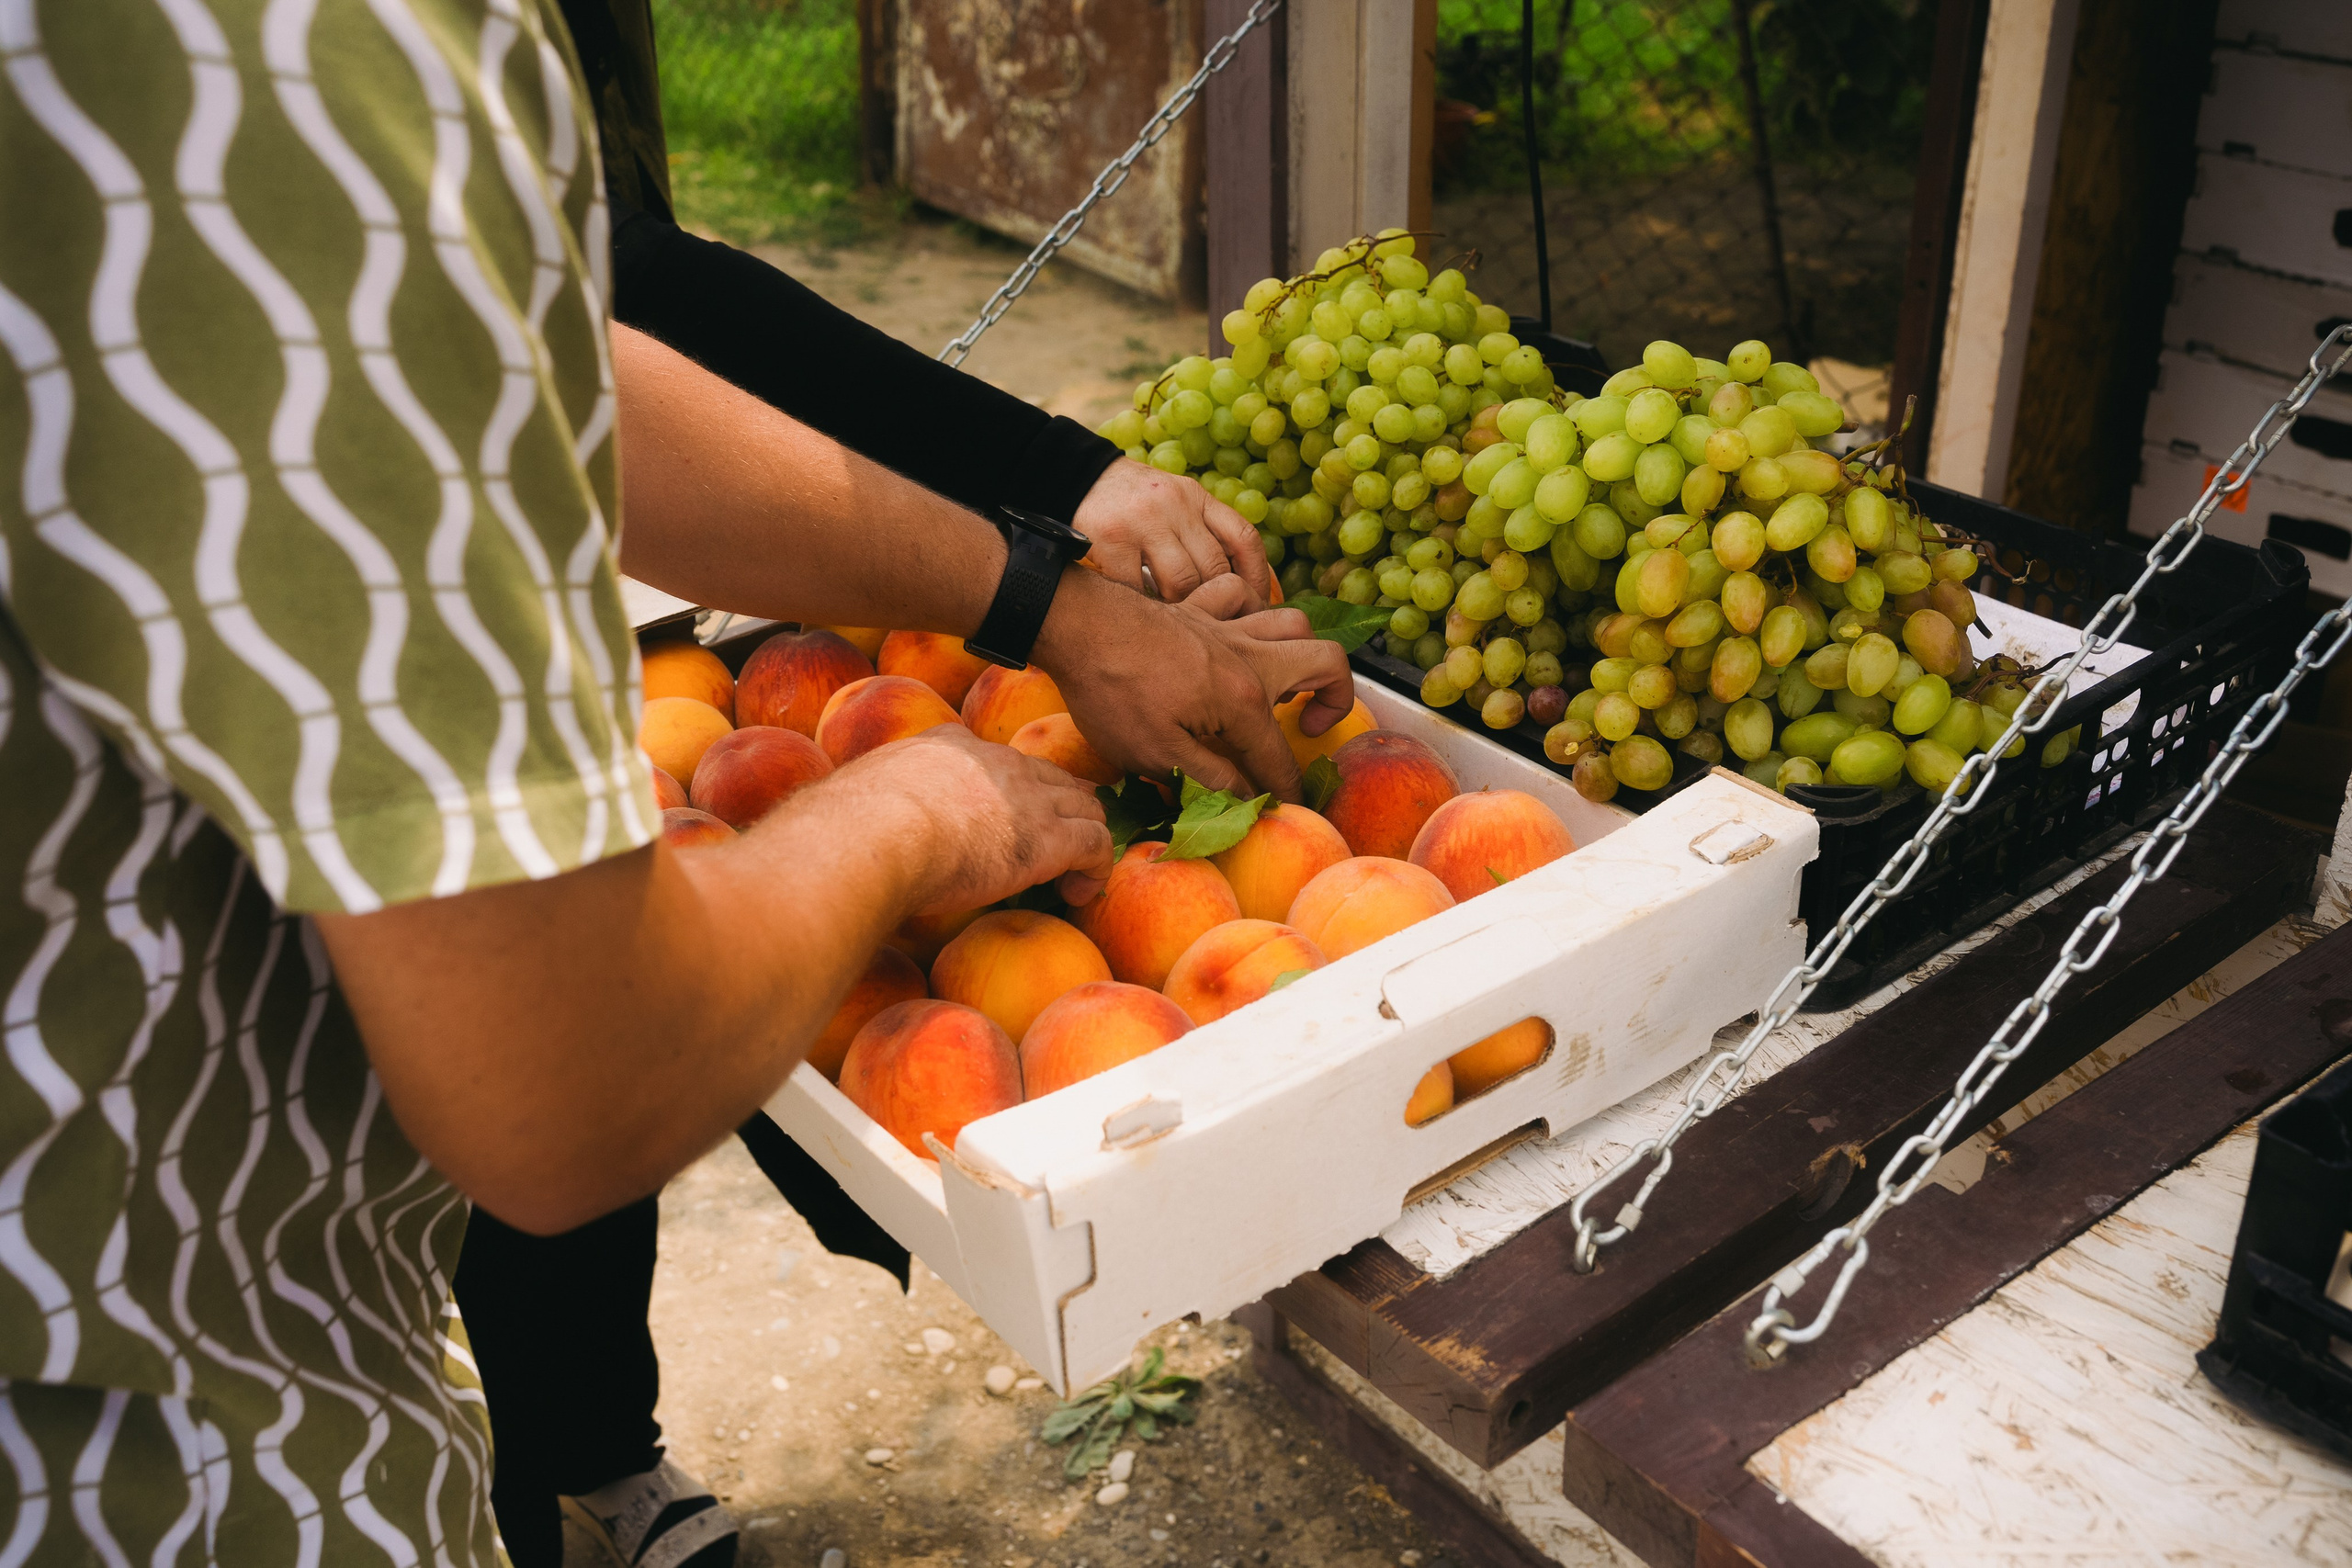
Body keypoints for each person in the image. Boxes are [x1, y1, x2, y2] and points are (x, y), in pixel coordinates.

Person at [0, 5, 1347, 1563]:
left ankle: (578, 1462)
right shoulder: (285, 45)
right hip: (150, 1468)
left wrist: (1046, 592)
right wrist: (908, 813)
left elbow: (539, 362)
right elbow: (559, 1068)